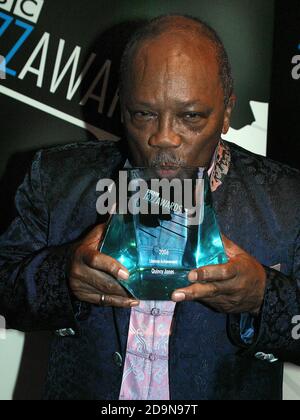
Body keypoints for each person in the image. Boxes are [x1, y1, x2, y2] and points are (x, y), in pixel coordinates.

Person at [0, 15, 299, 401]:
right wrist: (63, 276)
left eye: (191, 116)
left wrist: (263, 297)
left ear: (227, 112)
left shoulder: (287, 198)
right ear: (122, 109)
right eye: (143, 114)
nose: (164, 137)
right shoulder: (56, 179)